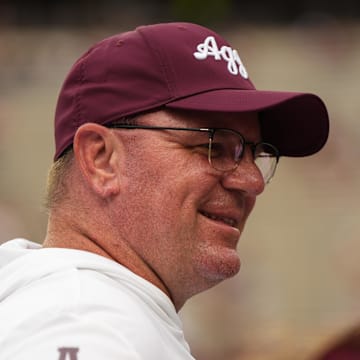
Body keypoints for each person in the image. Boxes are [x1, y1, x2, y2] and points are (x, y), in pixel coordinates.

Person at [0, 22, 329, 360]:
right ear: (101, 159)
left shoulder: (85, 310)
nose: (252, 181)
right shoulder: (83, 324)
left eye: (254, 154)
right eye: (213, 146)